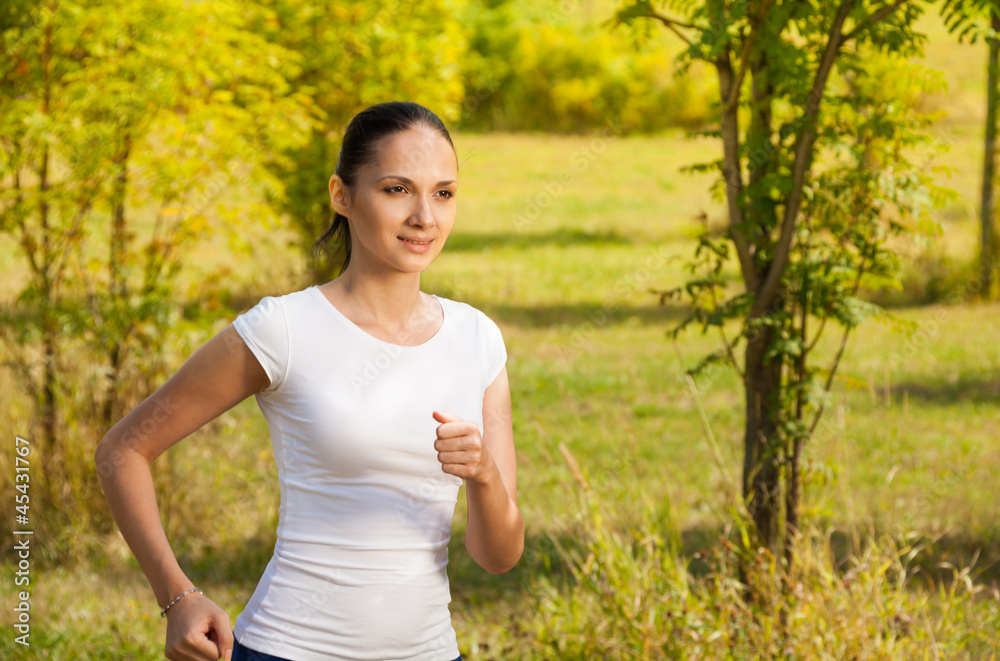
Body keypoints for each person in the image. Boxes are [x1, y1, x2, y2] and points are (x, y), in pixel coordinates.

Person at [95, 101, 524, 661]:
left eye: (443, 193)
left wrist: (484, 475)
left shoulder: (477, 338)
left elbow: (499, 557)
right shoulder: (285, 328)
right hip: (287, 649)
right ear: (341, 195)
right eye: (397, 189)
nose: (425, 216)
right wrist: (178, 598)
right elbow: (123, 449)